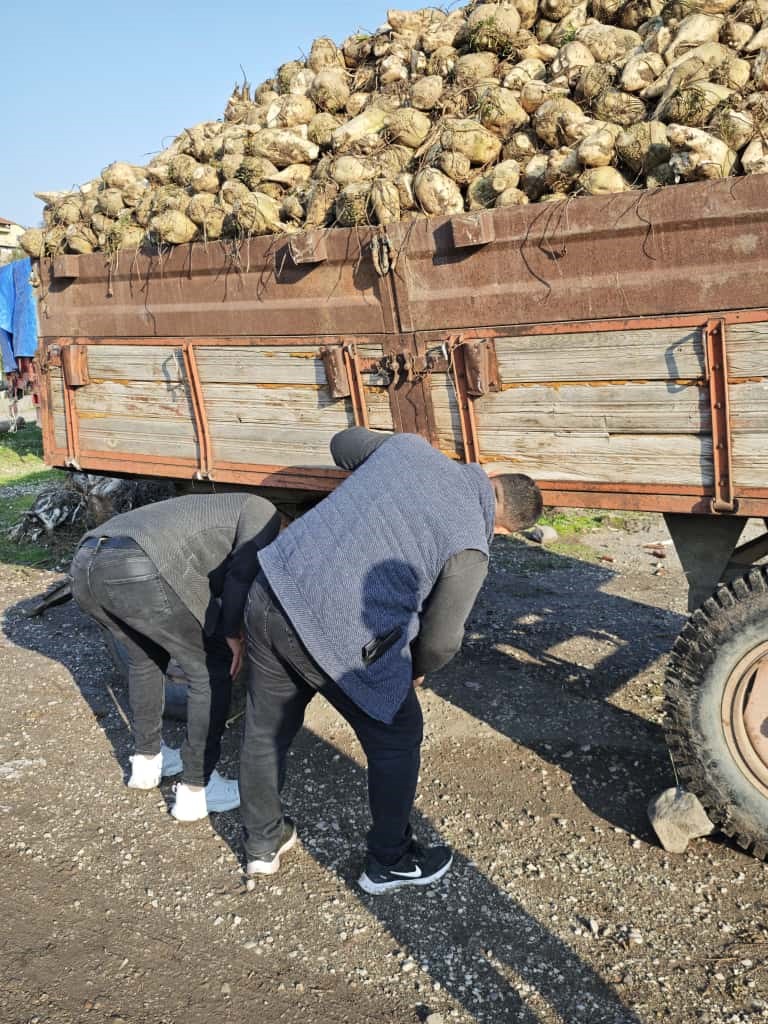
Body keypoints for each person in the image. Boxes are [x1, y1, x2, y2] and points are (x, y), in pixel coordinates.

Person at [240, 427, 543, 893]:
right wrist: (414, 669)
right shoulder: (473, 545)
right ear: (502, 528)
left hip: (271, 586)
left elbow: (341, 443)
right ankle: (389, 860)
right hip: (334, 629)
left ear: (491, 474)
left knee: (266, 728)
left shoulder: (408, 448)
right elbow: (442, 640)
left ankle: (261, 847)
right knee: (399, 735)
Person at [70, 492, 281, 821]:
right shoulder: (265, 513)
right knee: (210, 670)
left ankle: (147, 762)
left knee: (144, 658)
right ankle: (198, 790)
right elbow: (241, 576)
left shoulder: (226, 507)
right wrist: (231, 634)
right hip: (139, 562)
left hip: (84, 564)